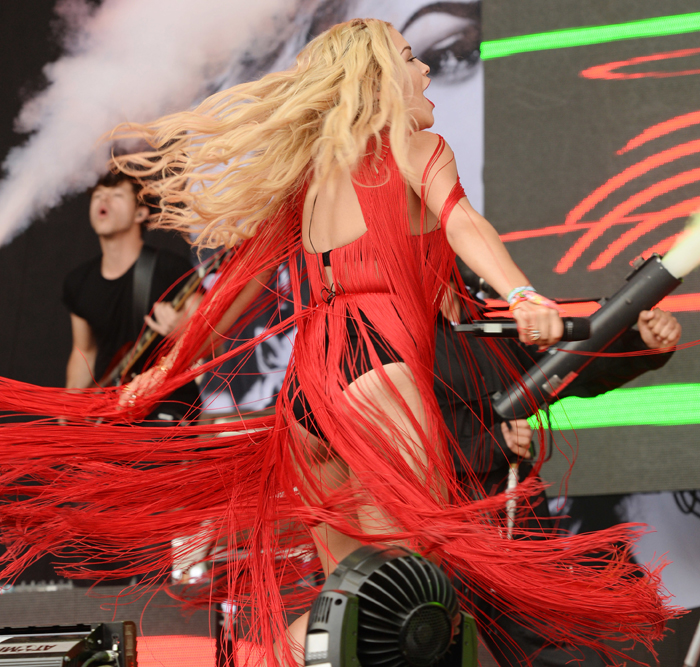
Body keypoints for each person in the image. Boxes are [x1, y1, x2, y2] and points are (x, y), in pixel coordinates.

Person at [0, 19, 674, 665]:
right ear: (378, 77)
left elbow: (228, 295)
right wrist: (522, 293)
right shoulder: (414, 149)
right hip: (378, 372)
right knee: (408, 597)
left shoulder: (309, 179)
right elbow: (463, 221)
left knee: (352, 606)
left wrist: (166, 368)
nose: (424, 70)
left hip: (309, 396)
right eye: (409, 58)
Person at [434, 282, 681, 666]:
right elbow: (381, 435)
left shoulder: (482, 325)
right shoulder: (383, 332)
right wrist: (487, 442)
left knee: (556, 647)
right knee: (434, 644)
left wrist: (642, 346)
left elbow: (561, 371)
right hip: (438, 532)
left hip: (517, 532)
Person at [63, 171, 201, 421]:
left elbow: (214, 341)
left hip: (166, 405)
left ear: (140, 214)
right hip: (113, 411)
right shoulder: (79, 282)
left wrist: (183, 329)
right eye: (98, 194)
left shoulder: (170, 269)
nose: (103, 200)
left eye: (116, 195)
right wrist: (69, 409)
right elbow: (84, 352)